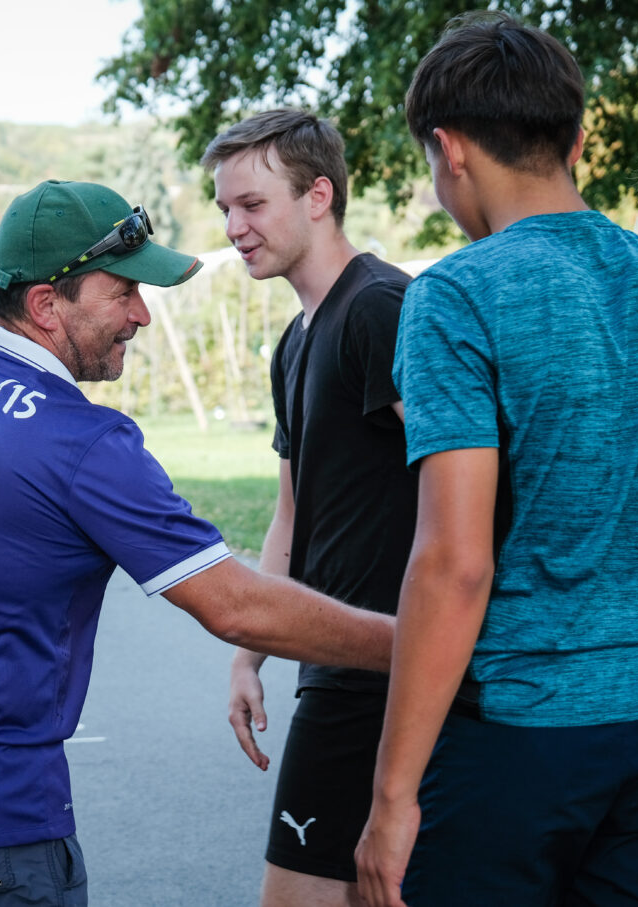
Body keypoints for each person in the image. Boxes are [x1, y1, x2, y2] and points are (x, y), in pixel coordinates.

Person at [0, 179, 400, 907]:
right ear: (45, 304)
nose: (141, 314)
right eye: (125, 292)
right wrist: (419, 644)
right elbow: (236, 606)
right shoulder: (84, 442)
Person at [352, 13, 638, 907]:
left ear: (448, 150)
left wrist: (390, 799)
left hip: (516, 736)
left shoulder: (455, 293)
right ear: (574, 139)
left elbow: (454, 565)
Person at [202, 109, 415, 906]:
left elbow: (473, 480)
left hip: (398, 666)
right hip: (330, 660)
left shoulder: (381, 308)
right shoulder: (294, 340)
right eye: (225, 208)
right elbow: (293, 513)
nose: (233, 226)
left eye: (252, 205)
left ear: (318, 195)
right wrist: (249, 652)